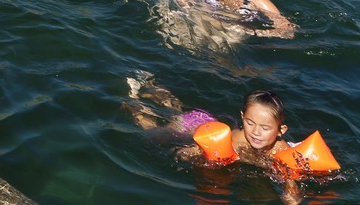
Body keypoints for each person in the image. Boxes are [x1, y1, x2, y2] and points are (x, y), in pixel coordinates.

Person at [128, 82, 303, 198]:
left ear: (281, 130)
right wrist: (191, 151)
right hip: (196, 125)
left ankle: (150, 87)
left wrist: (291, 195)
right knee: (156, 133)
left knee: (176, 110)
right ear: (242, 118)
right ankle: (134, 105)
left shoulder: (282, 151)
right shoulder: (236, 139)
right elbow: (206, 146)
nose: (256, 132)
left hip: (206, 122)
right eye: (250, 123)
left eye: (265, 128)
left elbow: (290, 181)